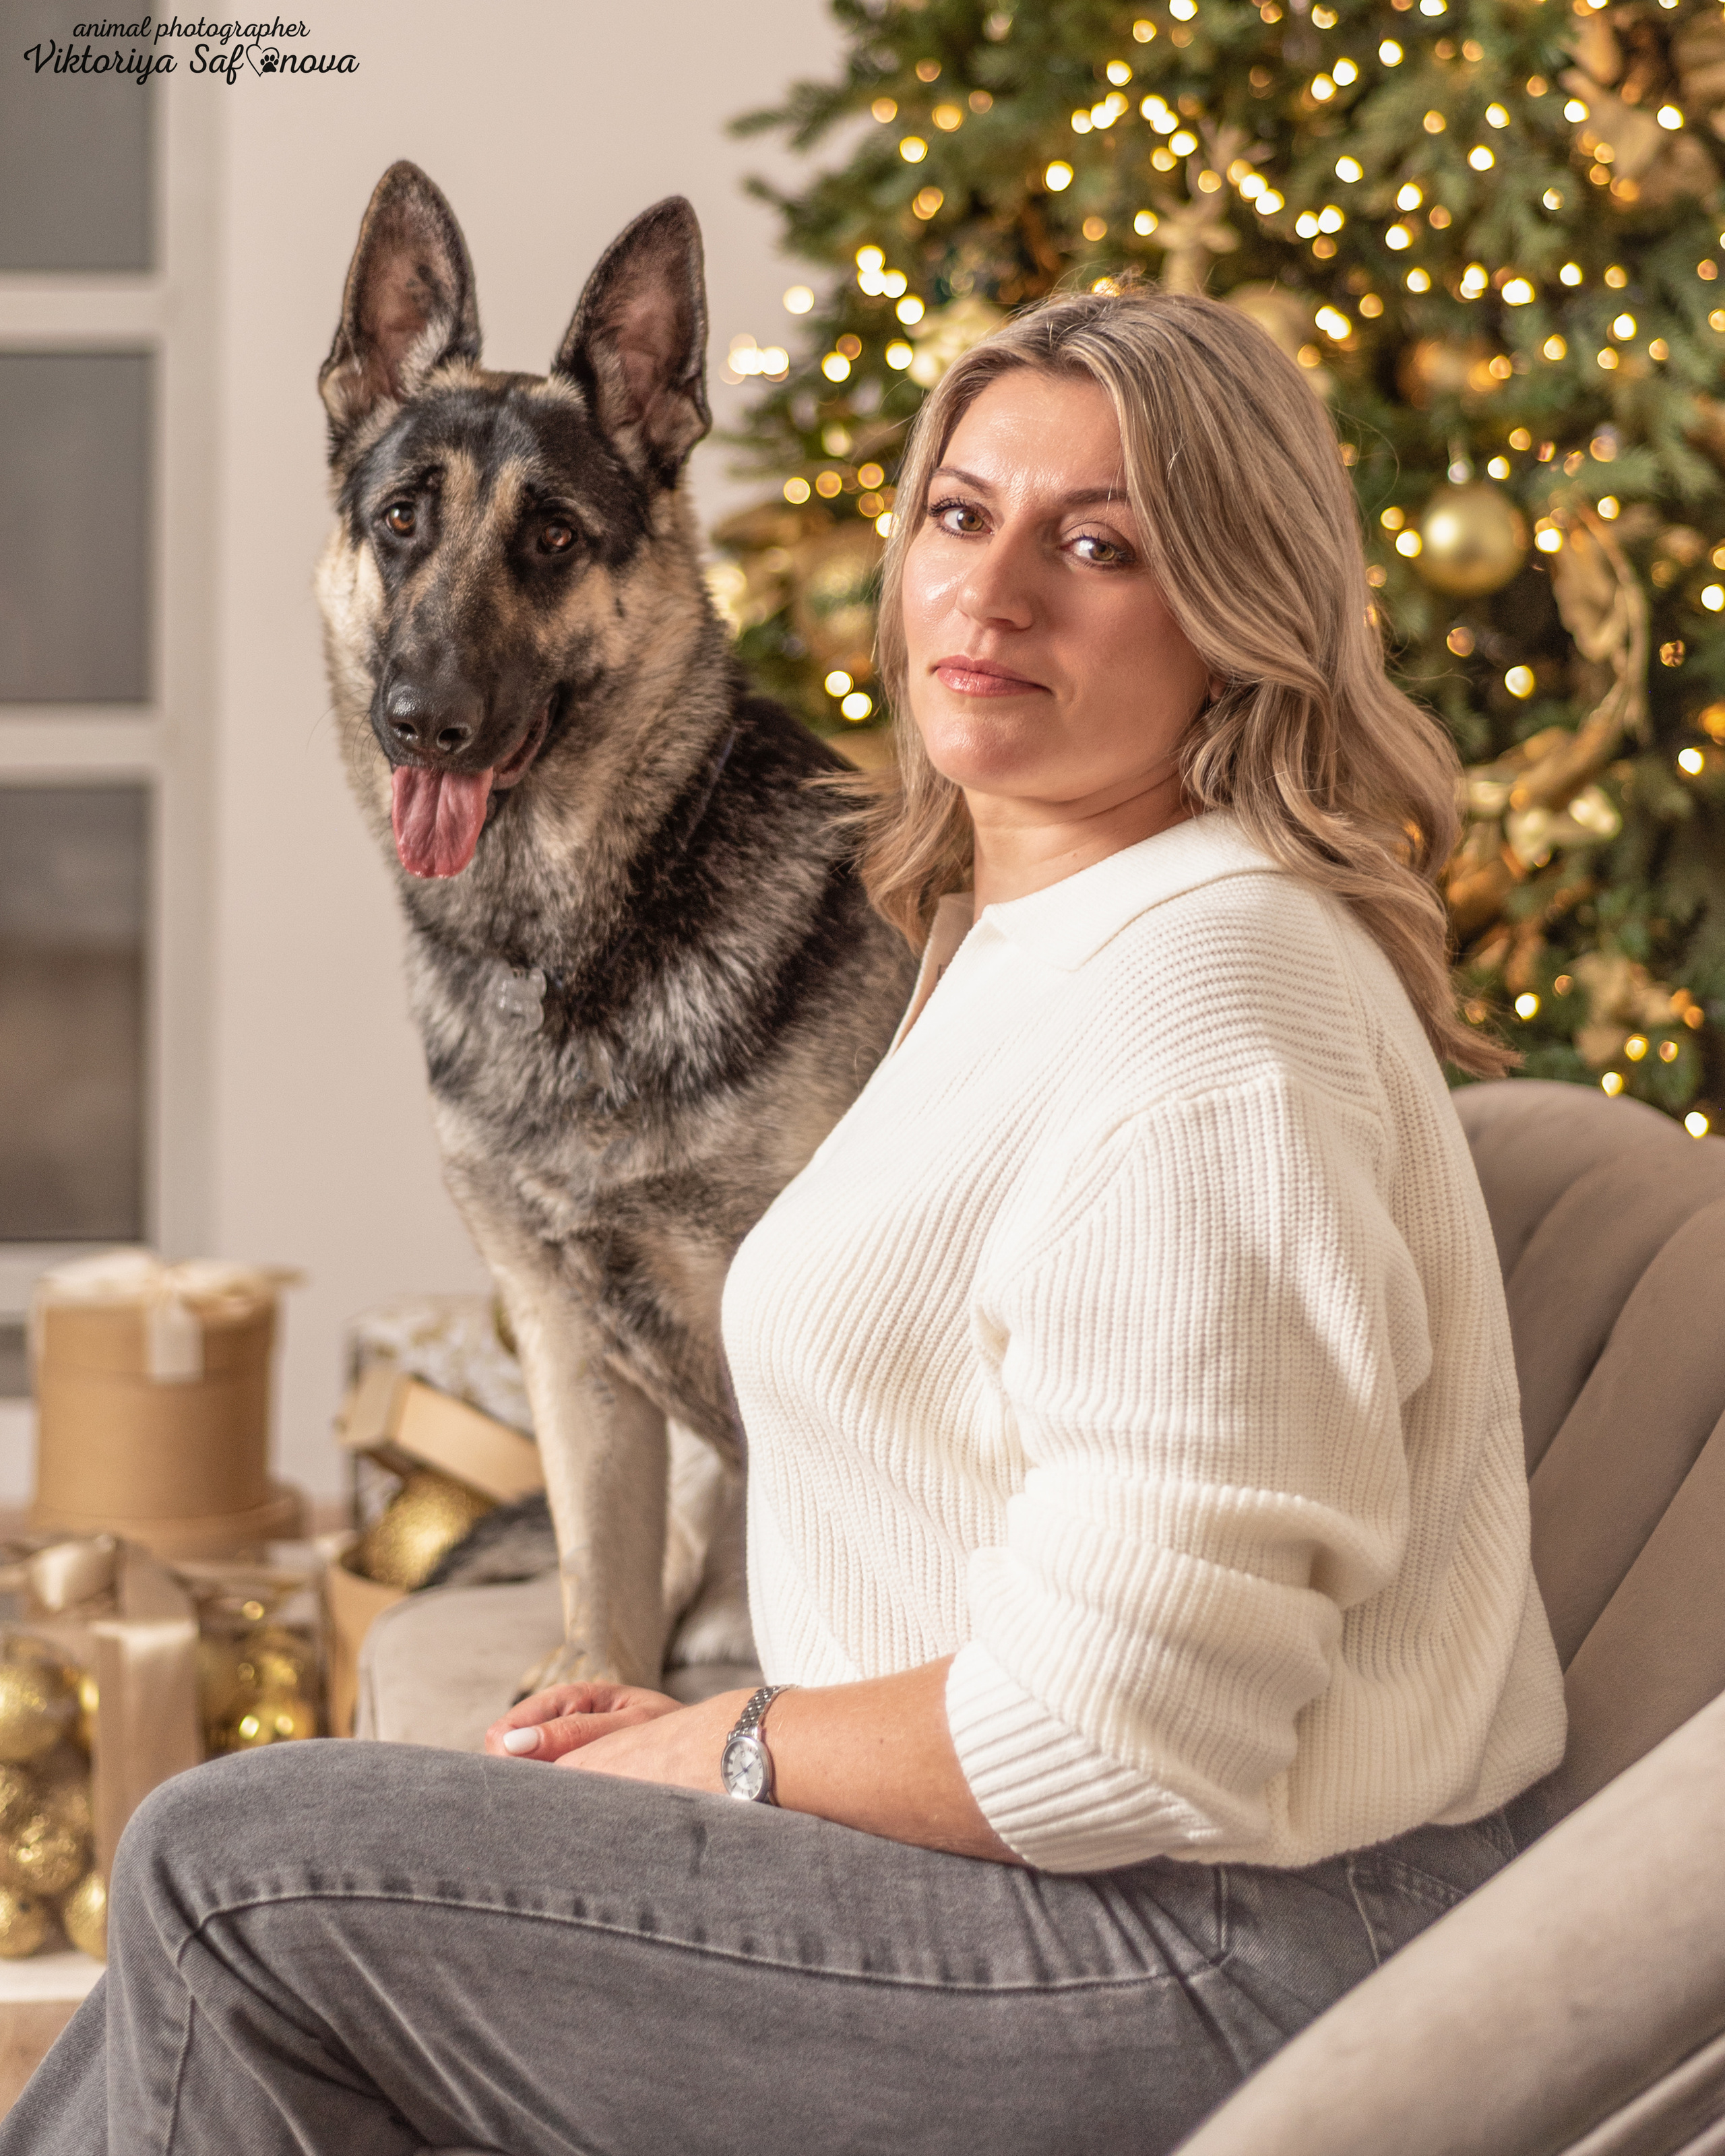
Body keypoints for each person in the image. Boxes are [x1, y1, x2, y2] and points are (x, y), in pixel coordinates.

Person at [0, 287, 1565, 2156]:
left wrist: (726, 1747)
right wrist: (729, 1722)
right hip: (1069, 1881)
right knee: (268, 1964)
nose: (993, 595)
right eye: (960, 516)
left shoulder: (1212, 1018)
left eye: (1099, 547)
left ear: (1242, 611)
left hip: (1222, 1955)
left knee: (225, 1870)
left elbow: (1138, 1730)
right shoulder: (1026, 937)